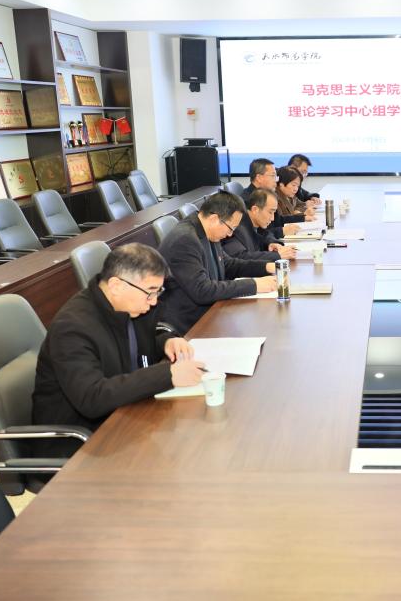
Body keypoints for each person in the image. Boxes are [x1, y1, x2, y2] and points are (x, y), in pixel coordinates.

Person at [32, 243, 206, 458]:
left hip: (123, 416)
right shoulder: (72, 328)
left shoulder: (127, 308)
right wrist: (168, 374)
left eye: (158, 292)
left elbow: (132, 351)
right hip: (80, 444)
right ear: (116, 285)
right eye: (150, 292)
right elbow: (92, 398)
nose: (154, 302)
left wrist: (165, 342)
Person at [158, 191, 277, 334]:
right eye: (231, 228)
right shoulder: (185, 240)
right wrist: (254, 285)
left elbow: (228, 265)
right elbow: (202, 290)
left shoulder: (208, 231)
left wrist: (267, 266)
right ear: (214, 219)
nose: (230, 234)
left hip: (212, 312)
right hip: (190, 325)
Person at [223, 188, 297, 262]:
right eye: (270, 212)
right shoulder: (237, 226)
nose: (272, 218)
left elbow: (266, 234)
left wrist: (271, 243)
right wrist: (277, 255)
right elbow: (240, 257)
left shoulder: (257, 223)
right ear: (255, 209)